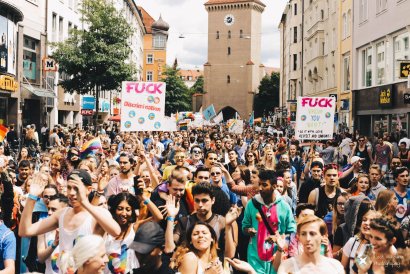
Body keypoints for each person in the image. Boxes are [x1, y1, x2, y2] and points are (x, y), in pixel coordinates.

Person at [18, 170, 121, 267]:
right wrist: (32, 196)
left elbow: (116, 231)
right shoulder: (61, 214)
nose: (71, 193)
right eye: (69, 188)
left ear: (88, 189)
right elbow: (25, 231)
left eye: (76, 188)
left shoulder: (98, 214)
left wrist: (84, 202)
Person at [242, 169, 296, 274]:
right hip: (255, 258)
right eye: (259, 184)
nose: (260, 188)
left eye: (264, 185)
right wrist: (248, 230)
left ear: (274, 186)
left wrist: (279, 238)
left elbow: (292, 231)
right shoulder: (251, 204)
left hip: (278, 257)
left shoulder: (284, 206)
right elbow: (244, 226)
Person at [105, 192, 162, 274]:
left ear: (132, 212)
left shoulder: (135, 227)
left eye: (128, 210)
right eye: (120, 208)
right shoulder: (106, 228)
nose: (124, 213)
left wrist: (144, 198)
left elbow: (158, 217)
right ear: (114, 209)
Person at [277, 215, 344, 274]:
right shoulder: (287, 266)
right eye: (303, 234)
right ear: (298, 237)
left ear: (323, 236)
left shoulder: (335, 267)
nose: (308, 238)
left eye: (312, 234)